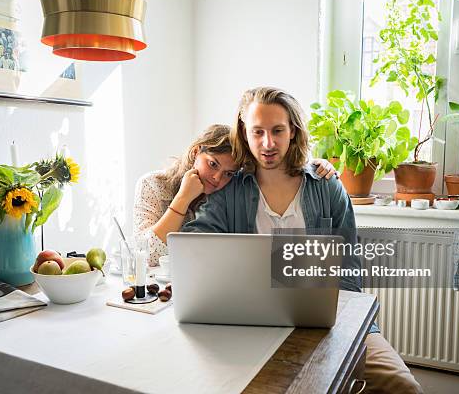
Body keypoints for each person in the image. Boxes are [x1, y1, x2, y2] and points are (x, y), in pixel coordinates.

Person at [182, 87, 423, 394]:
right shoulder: (230, 192)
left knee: (403, 386)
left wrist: (339, 327)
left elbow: (348, 272)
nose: (267, 143)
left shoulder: (327, 187)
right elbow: (193, 249)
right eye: (258, 132)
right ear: (244, 133)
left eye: (277, 131)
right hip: (251, 324)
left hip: (328, 321)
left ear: (292, 131)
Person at [133, 124, 337, 266]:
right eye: (212, 164)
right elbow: (145, 254)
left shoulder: (228, 193)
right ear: (196, 152)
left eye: (228, 173)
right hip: (155, 292)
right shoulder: (153, 186)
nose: (216, 178)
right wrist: (183, 199)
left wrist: (312, 165)